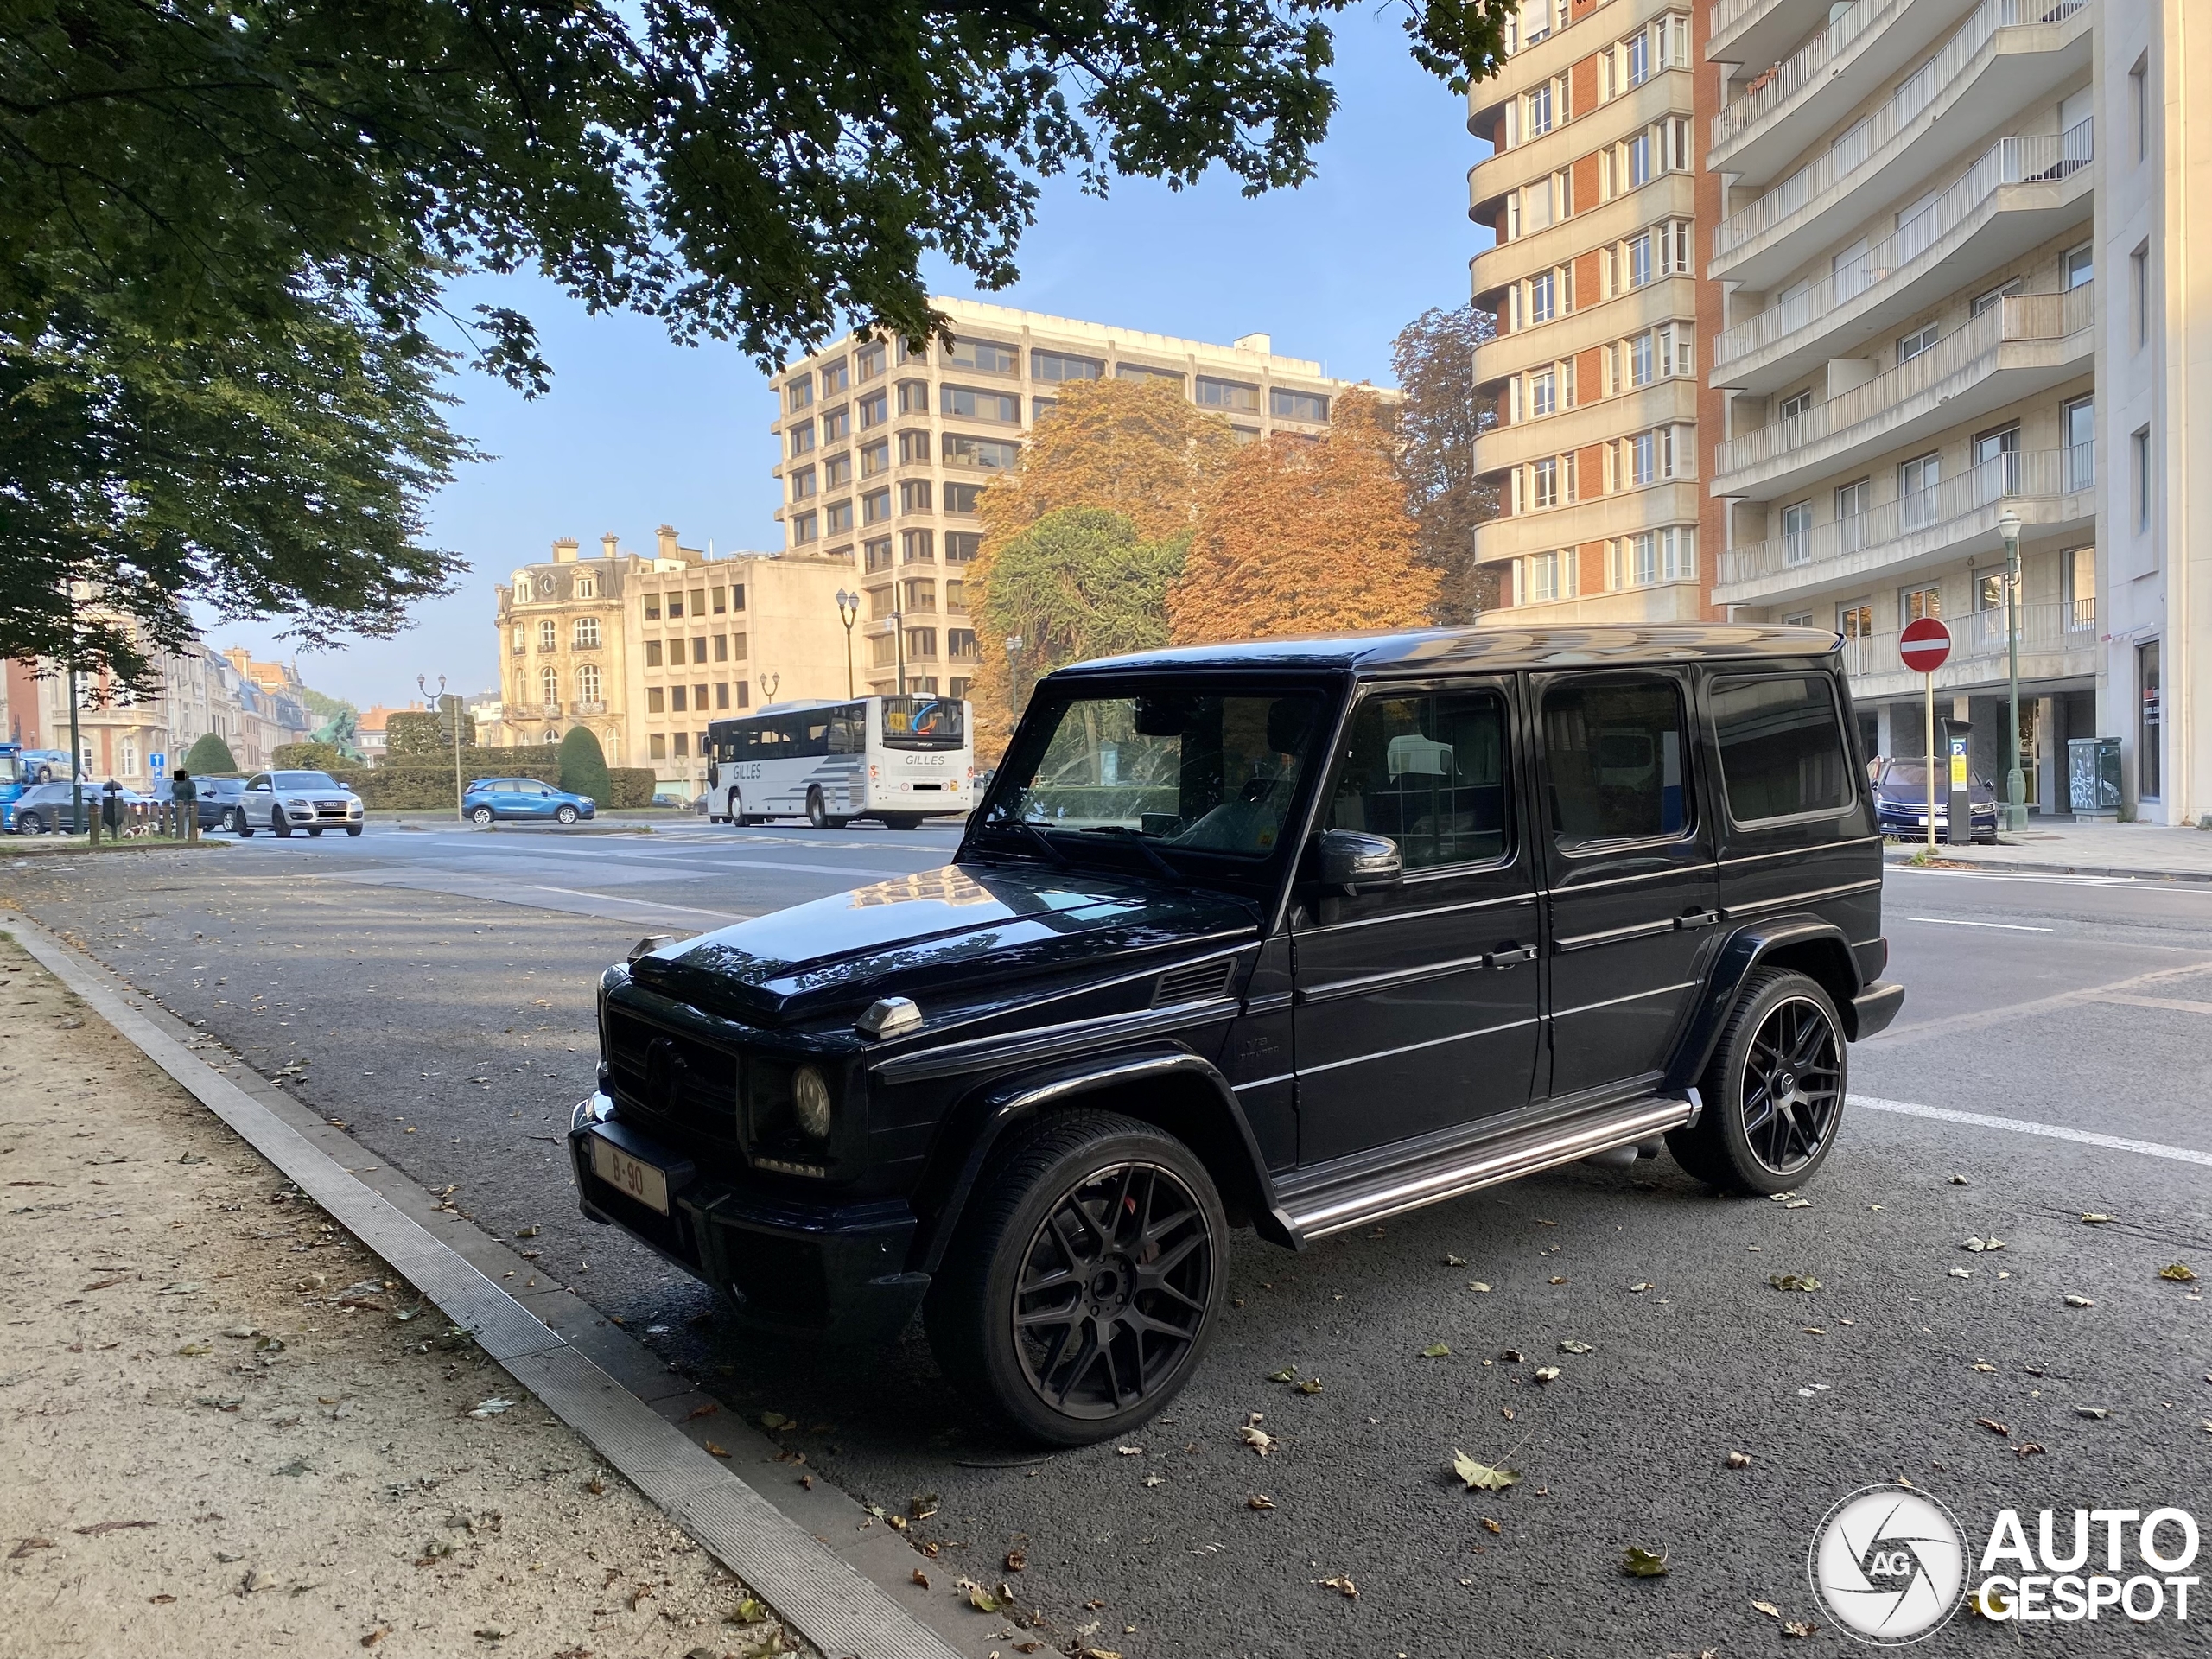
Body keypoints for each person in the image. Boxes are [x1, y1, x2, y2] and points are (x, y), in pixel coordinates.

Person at [171, 766, 199, 842]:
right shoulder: (178, 783)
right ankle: (181, 834)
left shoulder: (189, 783)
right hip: (179, 803)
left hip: (186, 803)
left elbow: (191, 793)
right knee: (180, 819)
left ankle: (185, 834)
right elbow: (174, 791)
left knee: (185, 819)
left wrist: (192, 802)